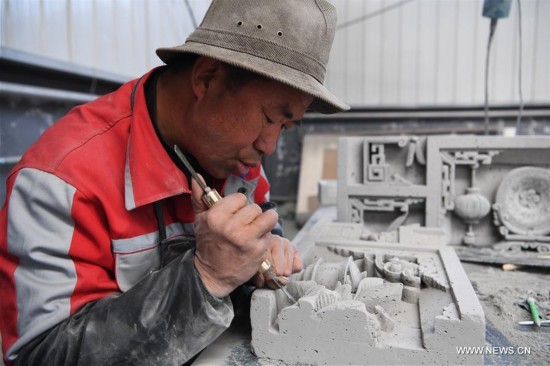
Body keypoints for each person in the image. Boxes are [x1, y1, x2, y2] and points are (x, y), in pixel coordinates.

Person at [0, 0, 348, 364]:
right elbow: (42, 356)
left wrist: (266, 250)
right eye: (268, 117)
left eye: (286, 126)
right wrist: (208, 276)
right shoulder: (60, 181)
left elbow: (262, 214)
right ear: (207, 78)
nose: (269, 146)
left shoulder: (238, 159)